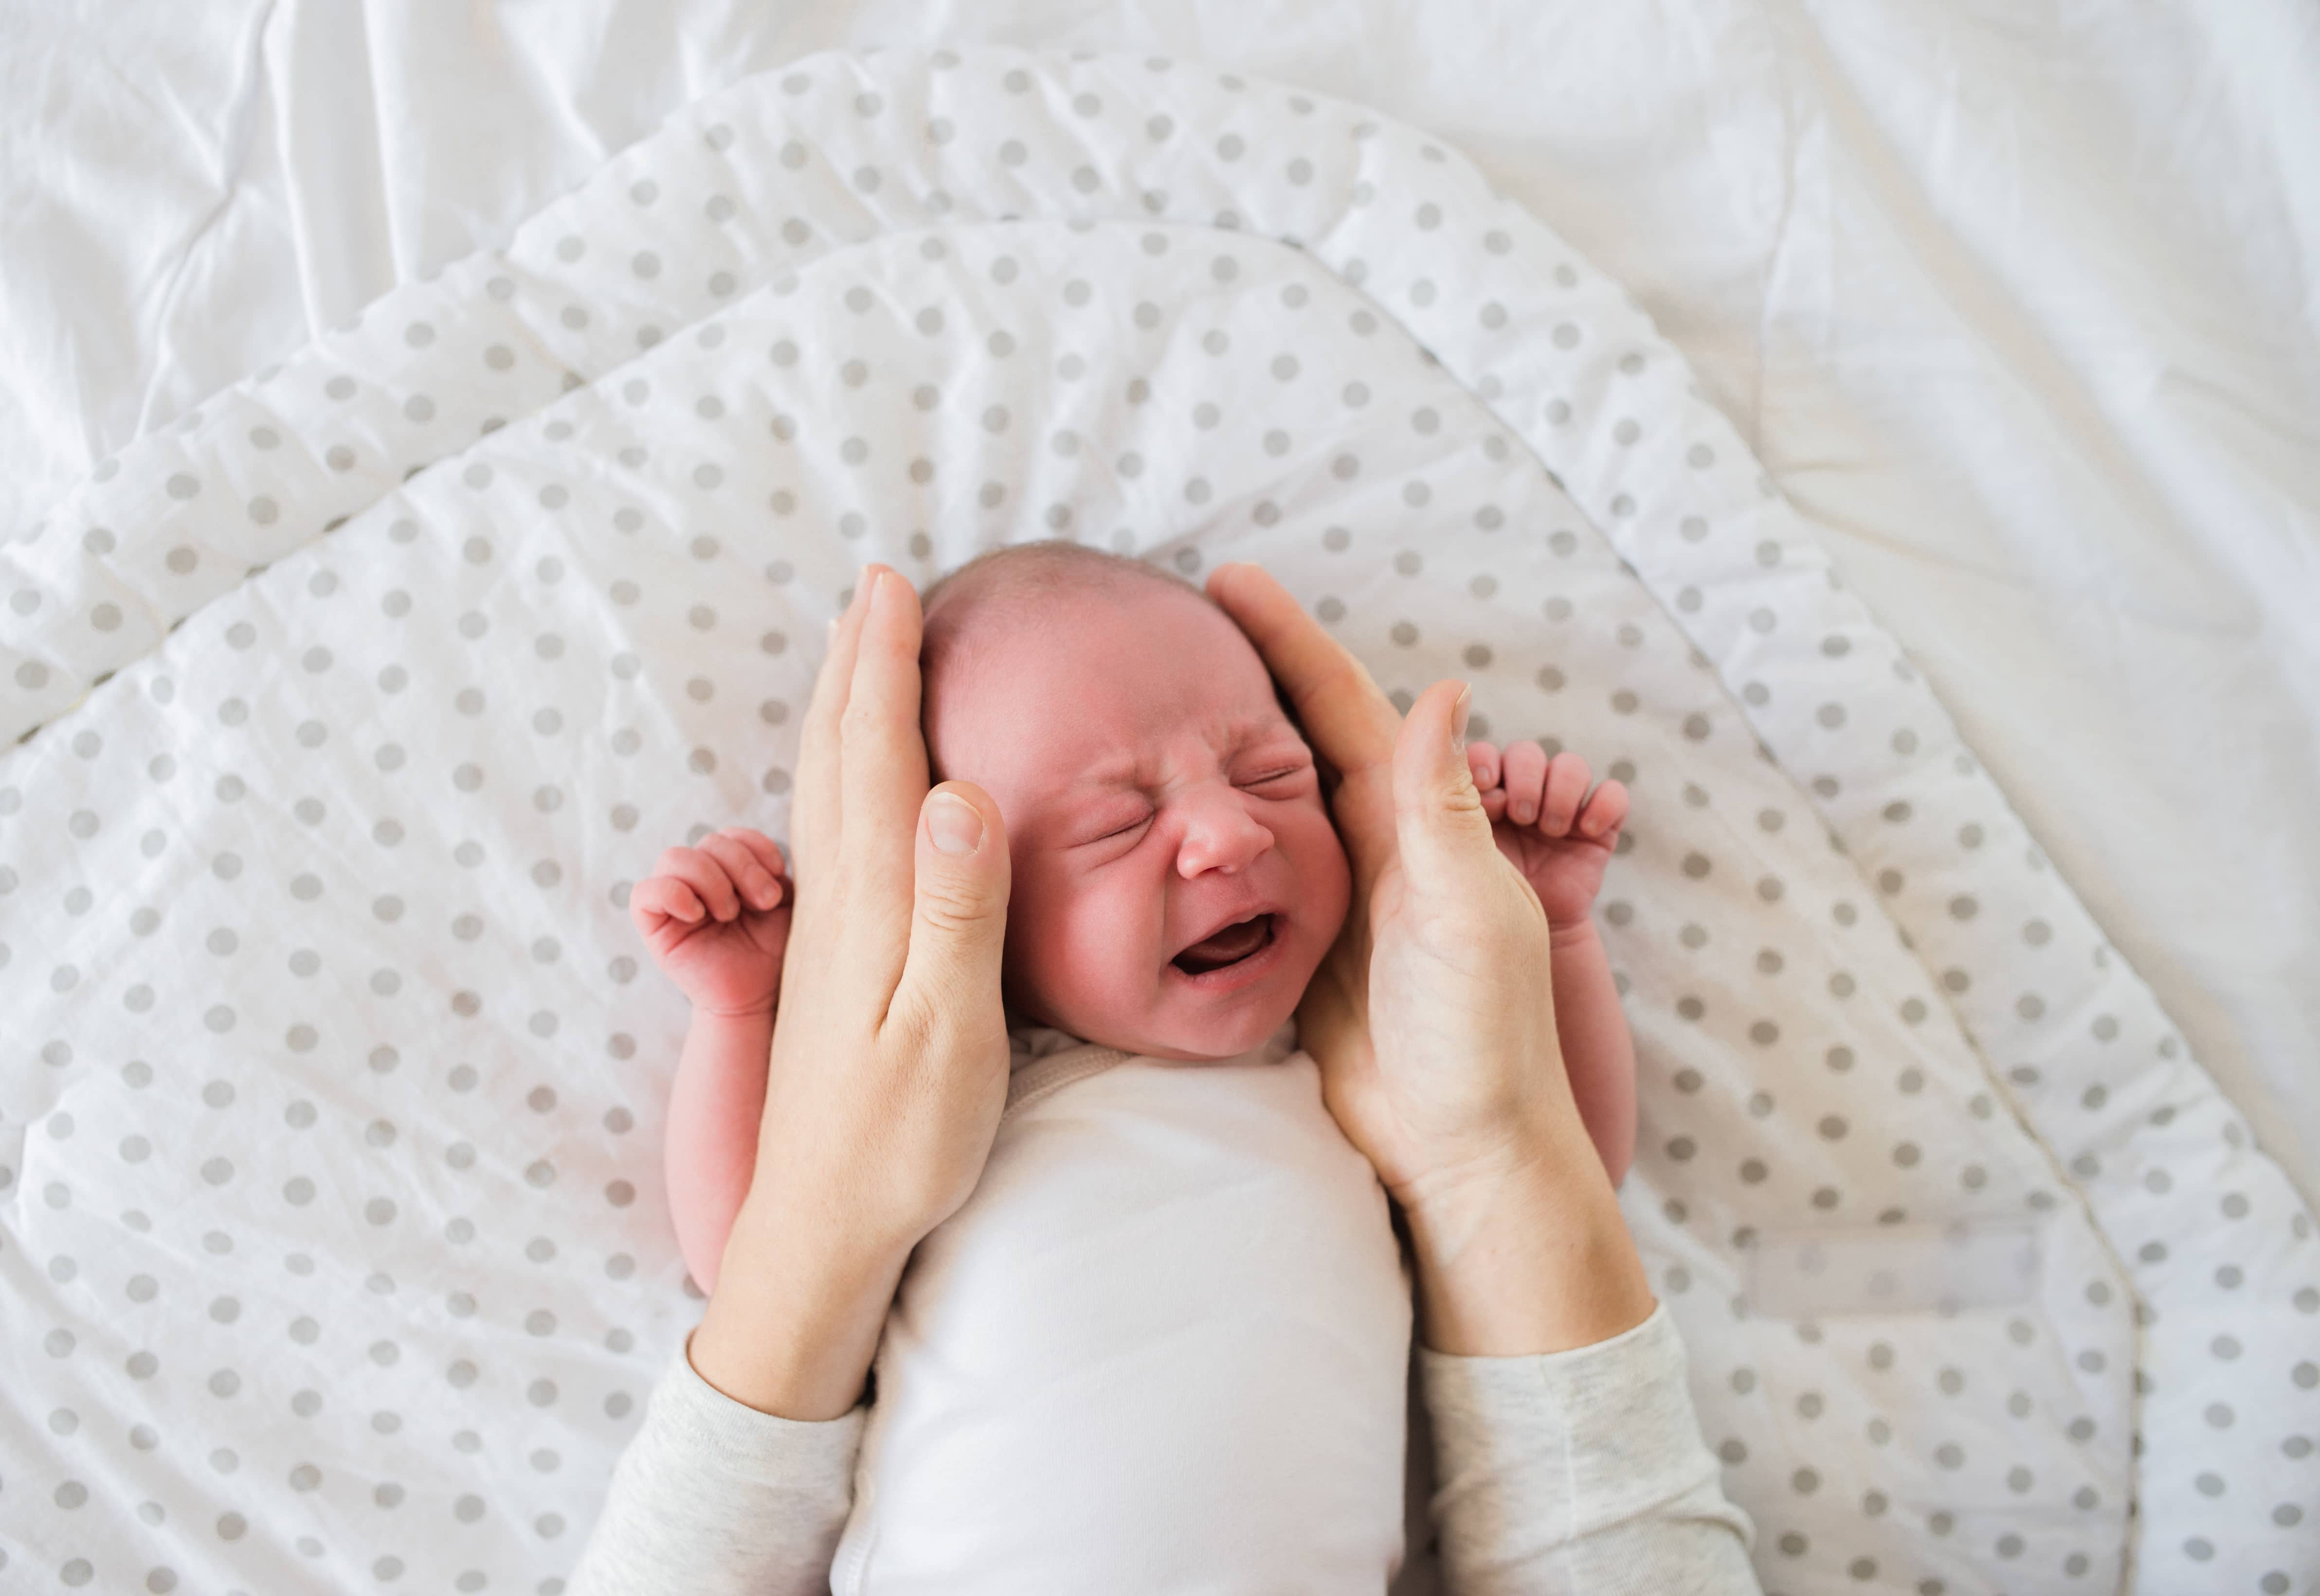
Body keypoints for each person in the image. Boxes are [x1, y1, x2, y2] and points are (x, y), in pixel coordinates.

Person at [568, 561, 1758, 1594]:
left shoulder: (1343, 1082)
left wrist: (1541, 937)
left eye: (1271, 774)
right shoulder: (971, 1104)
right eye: (1115, 824)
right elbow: (752, 1253)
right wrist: (748, 1011)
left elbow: (1565, 1177)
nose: (1231, 835)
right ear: (967, 903)